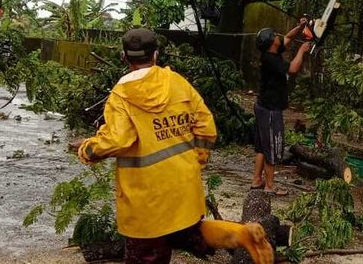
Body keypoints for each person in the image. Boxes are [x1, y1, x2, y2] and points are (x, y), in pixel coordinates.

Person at [74, 28, 273, 264]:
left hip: (145, 197)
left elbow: (118, 139)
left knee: (145, 254)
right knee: (189, 232)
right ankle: (242, 233)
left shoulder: (121, 95)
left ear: (124, 58)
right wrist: (196, 160)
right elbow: (206, 125)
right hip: (183, 183)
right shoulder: (178, 83)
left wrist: (87, 149)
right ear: (156, 55)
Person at [251, 21, 310, 195]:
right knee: (271, 147)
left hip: (263, 107)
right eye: (275, 35)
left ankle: (256, 180)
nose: (279, 36)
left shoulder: (272, 51)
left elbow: (289, 37)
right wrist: (302, 51)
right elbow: (292, 69)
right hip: (270, 109)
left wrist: (300, 28)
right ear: (272, 42)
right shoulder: (271, 60)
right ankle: (270, 186)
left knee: (262, 146)